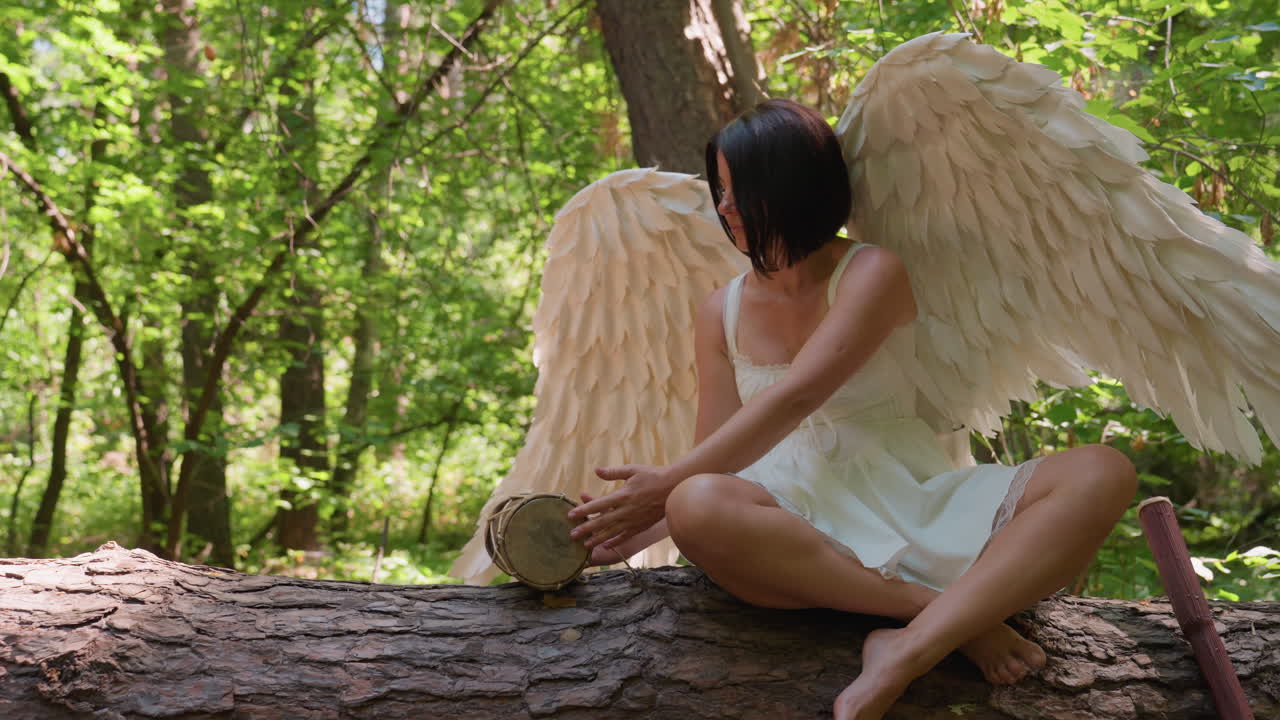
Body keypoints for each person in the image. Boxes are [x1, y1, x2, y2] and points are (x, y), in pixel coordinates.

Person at [566, 99, 1137, 720]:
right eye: (720, 191)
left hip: (910, 496)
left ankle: (908, 648)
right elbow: (714, 457)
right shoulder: (719, 312)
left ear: (788, 187)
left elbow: (801, 393)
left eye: (737, 191)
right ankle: (940, 615)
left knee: (1102, 471)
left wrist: (664, 488)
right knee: (696, 502)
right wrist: (627, 528)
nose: (723, 208)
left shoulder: (872, 270)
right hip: (793, 529)